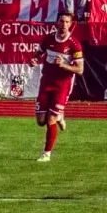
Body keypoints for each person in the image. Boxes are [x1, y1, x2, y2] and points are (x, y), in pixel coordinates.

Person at [32, 10, 83, 162]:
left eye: (67, 22)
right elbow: (38, 54)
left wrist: (64, 65)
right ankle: (59, 115)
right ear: (57, 22)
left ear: (71, 24)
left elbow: (80, 70)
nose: (64, 25)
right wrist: (33, 60)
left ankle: (46, 153)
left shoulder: (74, 44)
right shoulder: (48, 39)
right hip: (46, 81)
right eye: (62, 21)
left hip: (63, 84)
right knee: (41, 121)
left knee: (50, 120)